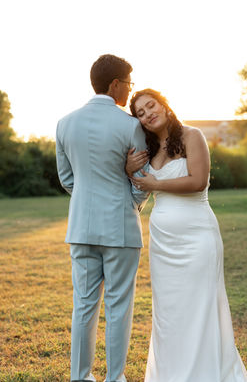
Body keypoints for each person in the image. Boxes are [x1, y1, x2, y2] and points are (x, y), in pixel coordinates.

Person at [126, 88, 247, 382]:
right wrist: (129, 170)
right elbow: (139, 189)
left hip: (198, 235)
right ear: (139, 121)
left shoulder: (192, 136)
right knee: (170, 312)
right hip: (163, 241)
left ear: (164, 105)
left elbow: (198, 181)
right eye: (141, 112)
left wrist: (155, 184)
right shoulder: (147, 150)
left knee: (200, 305)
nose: (149, 113)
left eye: (152, 106)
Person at [56, 54, 149, 382]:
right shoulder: (131, 125)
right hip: (121, 227)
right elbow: (142, 179)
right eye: (129, 83)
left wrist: (87, 200)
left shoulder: (65, 123)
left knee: (83, 306)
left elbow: (67, 180)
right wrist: (129, 204)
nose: (130, 89)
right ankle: (115, 378)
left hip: (80, 227)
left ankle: (80, 378)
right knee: (119, 306)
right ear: (115, 84)